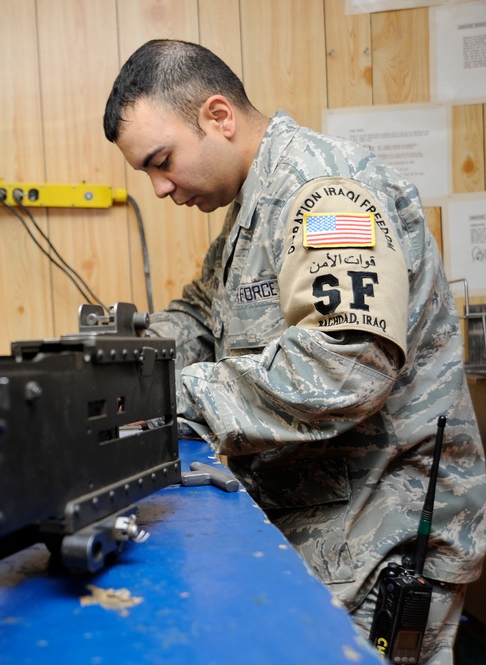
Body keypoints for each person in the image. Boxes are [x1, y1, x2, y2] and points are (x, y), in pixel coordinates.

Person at [104, 39, 486, 664]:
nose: (159, 188)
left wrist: (169, 394)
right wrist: (116, 364)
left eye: (162, 159)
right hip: (326, 523)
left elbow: (344, 365)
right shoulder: (253, 207)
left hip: (381, 539)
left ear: (218, 116)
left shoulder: (326, 188)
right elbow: (201, 313)